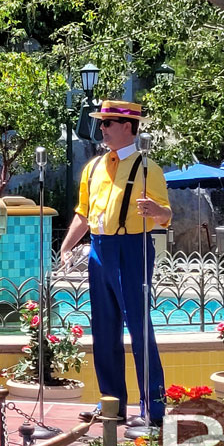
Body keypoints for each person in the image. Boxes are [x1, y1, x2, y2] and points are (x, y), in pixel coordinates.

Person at [59, 100, 171, 427]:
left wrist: (157, 211)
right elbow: (83, 213)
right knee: (104, 331)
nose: (102, 128)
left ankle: (153, 409)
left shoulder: (149, 168)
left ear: (128, 126)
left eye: (107, 123)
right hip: (99, 248)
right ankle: (112, 405)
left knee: (139, 328)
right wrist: (67, 246)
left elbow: (167, 216)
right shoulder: (92, 167)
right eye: (102, 123)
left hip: (132, 248)